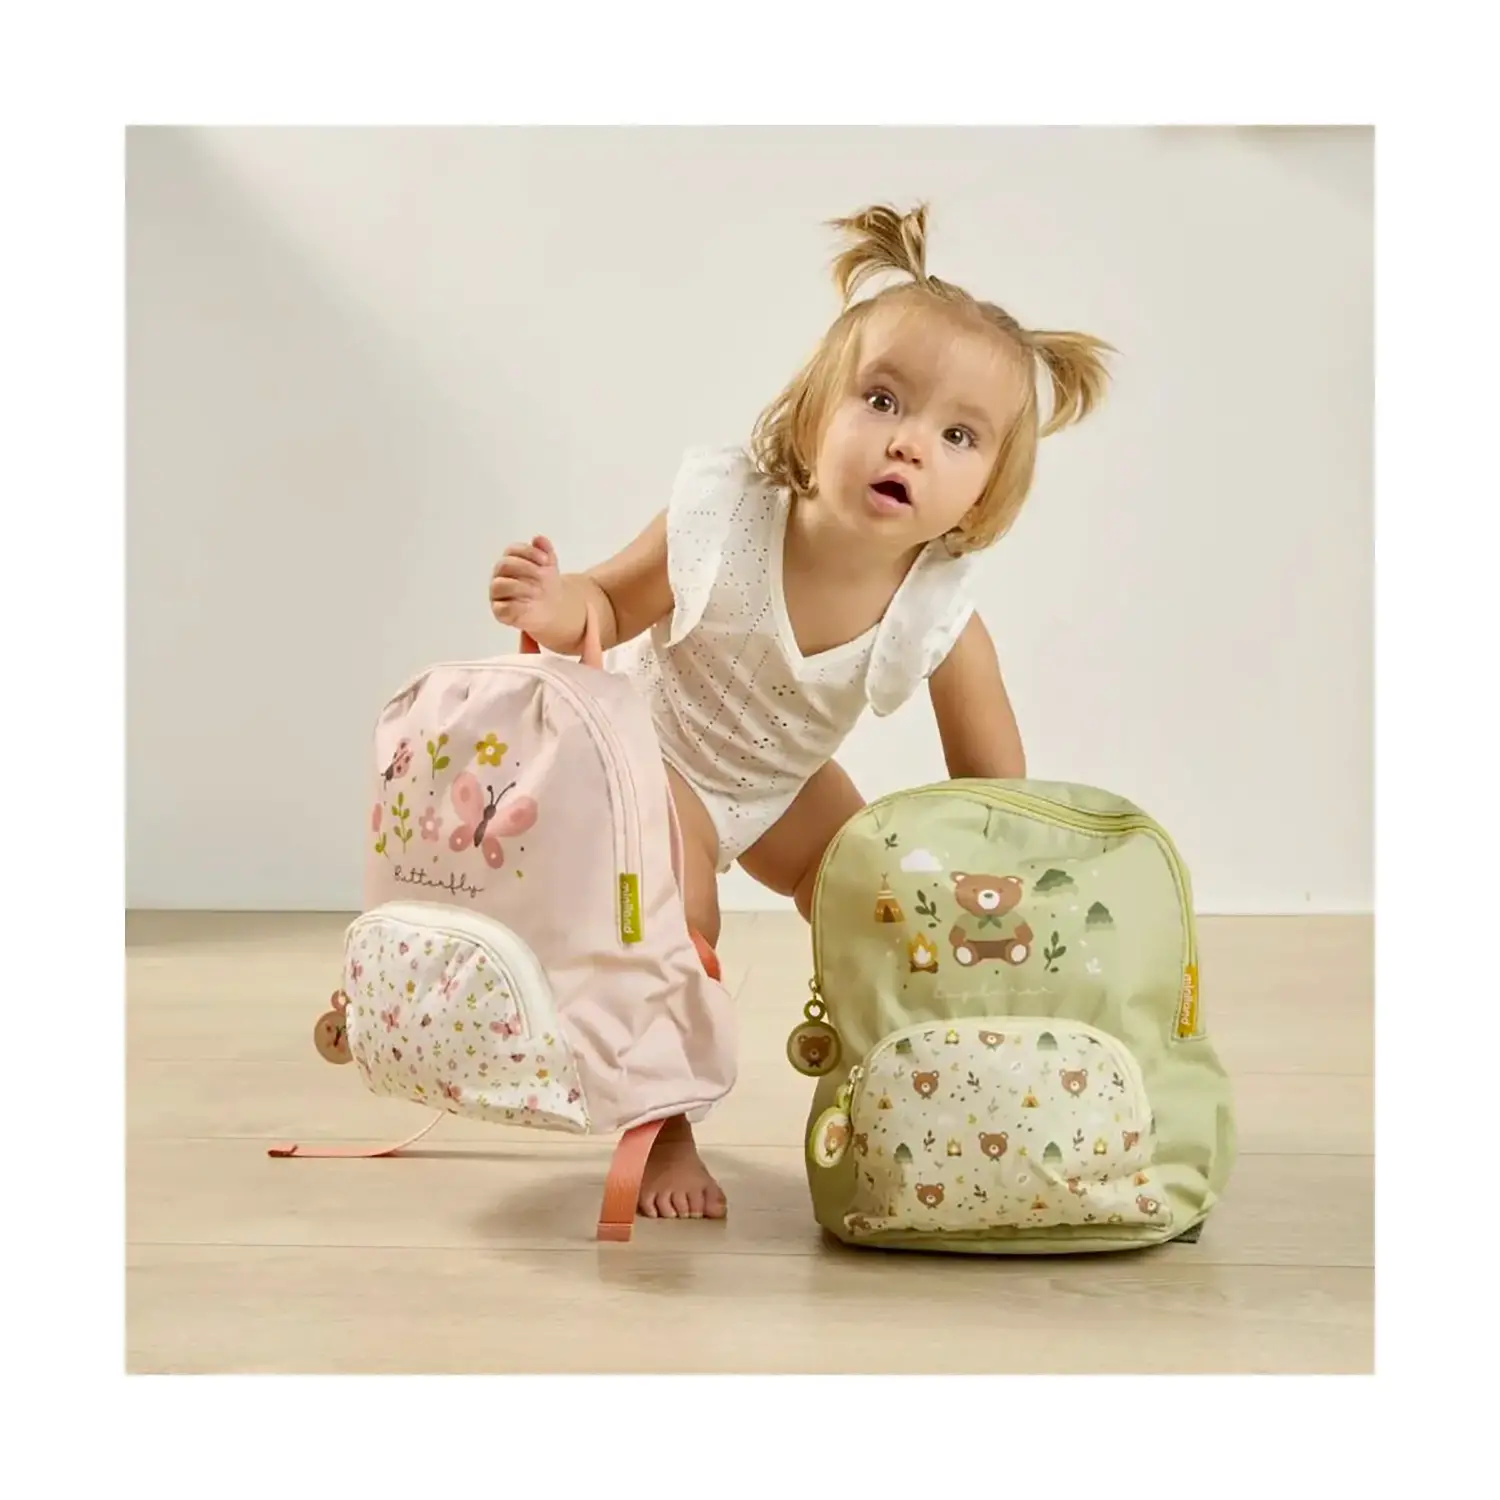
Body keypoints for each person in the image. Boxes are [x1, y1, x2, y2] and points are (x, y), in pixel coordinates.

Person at [489, 203, 1112, 1221]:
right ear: (814, 410)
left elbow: (997, 794)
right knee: (681, 922)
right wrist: (555, 604)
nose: (909, 444)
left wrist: (999, 883)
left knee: (879, 906)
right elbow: (606, 602)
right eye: (883, 400)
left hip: (778, 783)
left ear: (987, 488)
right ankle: (664, 1128)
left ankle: (903, 1094)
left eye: (958, 435)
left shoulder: (937, 612)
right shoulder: (726, 514)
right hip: (653, 752)